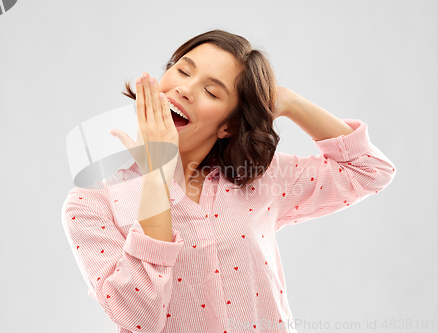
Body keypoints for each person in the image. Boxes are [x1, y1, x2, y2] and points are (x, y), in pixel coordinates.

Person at [61, 29, 396, 333]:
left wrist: (289, 102)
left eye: (211, 91)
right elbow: (140, 315)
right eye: (182, 70)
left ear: (229, 127)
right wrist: (157, 175)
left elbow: (369, 170)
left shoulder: (259, 179)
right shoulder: (92, 205)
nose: (185, 89)